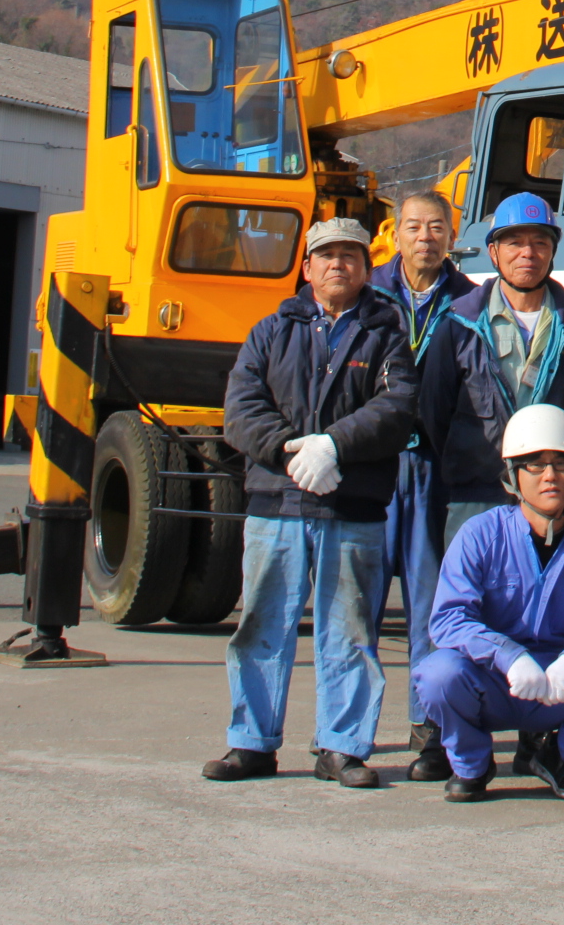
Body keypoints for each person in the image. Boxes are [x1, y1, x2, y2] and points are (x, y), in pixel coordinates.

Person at [203, 217, 420, 787]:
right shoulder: (270, 331)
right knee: (260, 626)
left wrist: (334, 446)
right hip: (274, 506)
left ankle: (342, 748)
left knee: (350, 632)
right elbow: (240, 408)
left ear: (367, 268)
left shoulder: (387, 335)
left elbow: (397, 408)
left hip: (353, 510)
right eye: (326, 255)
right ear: (307, 267)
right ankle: (251, 743)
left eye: (350, 255)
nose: (337, 264)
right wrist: (290, 451)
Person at [417, 404, 564, 801]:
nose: (550, 476)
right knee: (437, 674)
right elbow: (449, 619)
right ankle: (472, 763)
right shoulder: (479, 535)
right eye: (535, 465)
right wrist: (508, 656)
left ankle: (560, 753)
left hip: (561, 684)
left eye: (561, 464)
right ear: (513, 475)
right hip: (494, 681)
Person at [367, 190, 477, 783]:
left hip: (435, 468)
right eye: (413, 227)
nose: (425, 238)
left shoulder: (470, 302)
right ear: (395, 233)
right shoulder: (368, 294)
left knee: (431, 604)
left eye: (436, 227)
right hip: (372, 465)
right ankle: (346, 732)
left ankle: (428, 729)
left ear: (452, 237)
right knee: (356, 603)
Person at [419, 192, 564, 542]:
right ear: (493, 252)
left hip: (547, 497)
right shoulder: (459, 324)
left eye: (540, 242)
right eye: (514, 242)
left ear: (553, 251)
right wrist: (470, 461)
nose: (528, 253)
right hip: (475, 494)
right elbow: (434, 411)